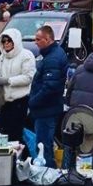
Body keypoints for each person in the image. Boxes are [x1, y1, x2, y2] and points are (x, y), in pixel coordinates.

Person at [29, 26, 67, 168]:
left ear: (47, 39)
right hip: (48, 108)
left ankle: (47, 176)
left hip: (46, 110)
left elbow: (49, 87)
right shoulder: (52, 55)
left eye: (38, 39)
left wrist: (33, 101)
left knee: (44, 147)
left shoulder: (52, 59)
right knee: (45, 145)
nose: (35, 42)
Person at [0, 29, 36, 142]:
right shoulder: (1, 58)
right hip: (5, 102)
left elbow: (28, 77)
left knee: (16, 135)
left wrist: (8, 81)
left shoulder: (26, 55)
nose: (6, 43)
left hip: (20, 101)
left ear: (15, 41)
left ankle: (18, 158)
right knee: (2, 134)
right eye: (3, 41)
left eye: (9, 41)